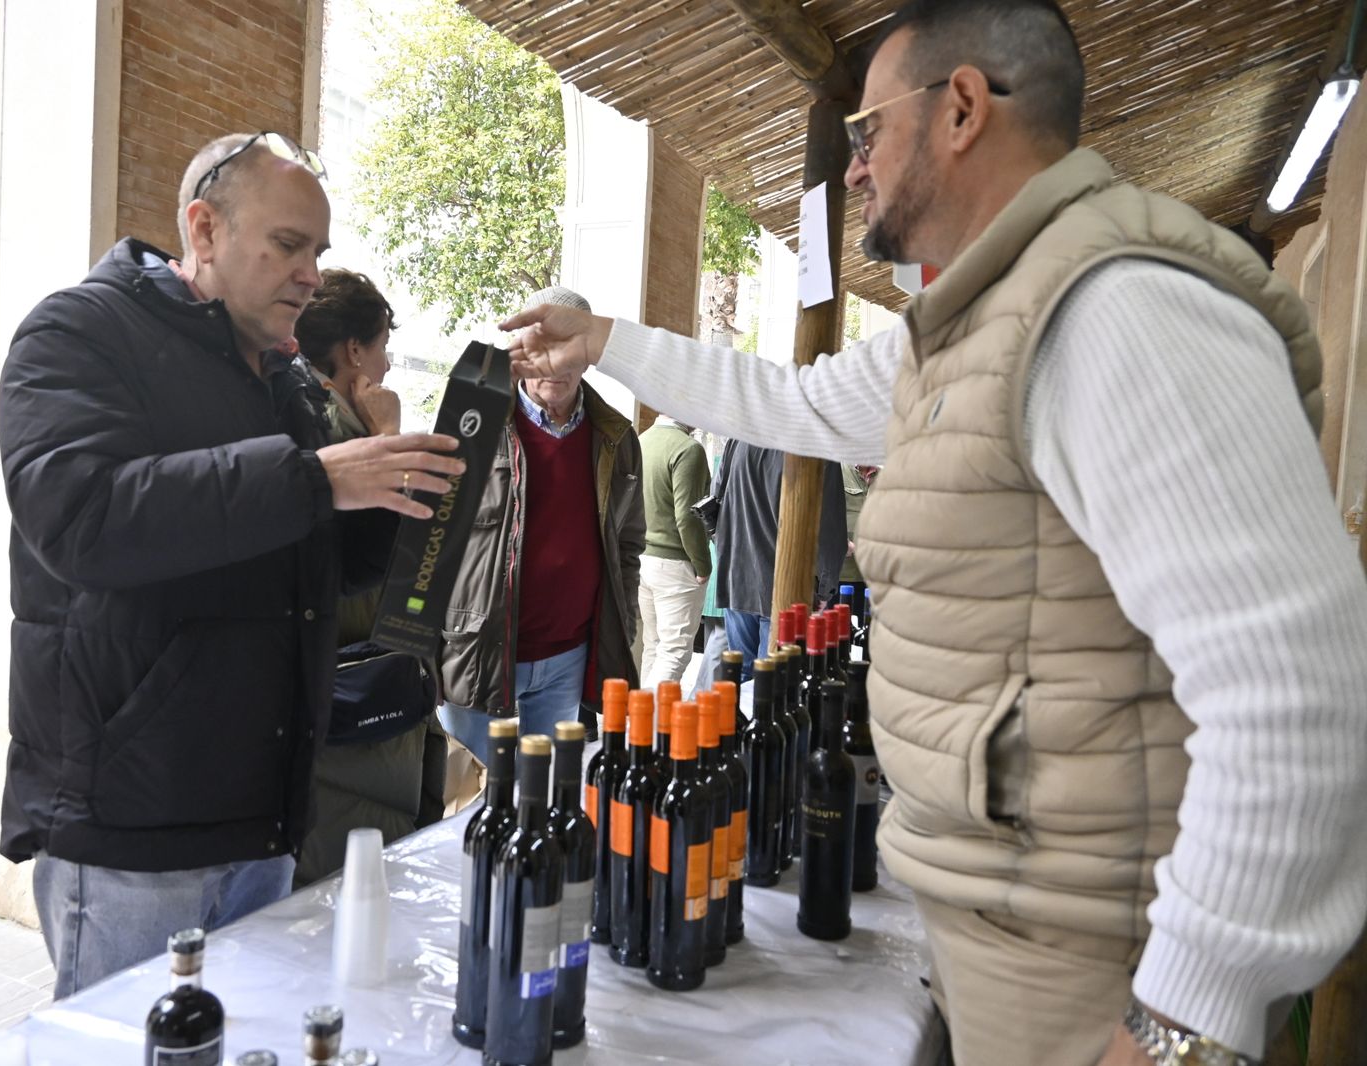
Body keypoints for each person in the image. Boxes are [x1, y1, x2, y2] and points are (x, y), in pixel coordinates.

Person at [499, 2, 1367, 1063]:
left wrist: (1184, 1024)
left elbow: (1298, 693)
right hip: (1005, 938)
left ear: (961, 109)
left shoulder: (1120, 310)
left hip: (1097, 974)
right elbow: (792, 401)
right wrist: (606, 342)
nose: (854, 166)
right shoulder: (967, 330)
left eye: (867, 131)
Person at [0, 132, 464, 998]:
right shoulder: (77, 332)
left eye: (318, 251)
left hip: (265, 819)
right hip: (134, 824)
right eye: (289, 245)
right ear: (204, 229)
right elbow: (81, 520)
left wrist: (408, 500)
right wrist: (313, 479)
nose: (311, 276)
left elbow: (316, 565)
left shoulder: (283, 381)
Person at [436, 286, 643, 763]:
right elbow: (433, 539)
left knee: (546, 791)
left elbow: (629, 543)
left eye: (569, 349)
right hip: (476, 650)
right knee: (472, 795)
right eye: (543, 347)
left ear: (589, 356)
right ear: (521, 350)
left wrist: (624, 621)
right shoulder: (474, 422)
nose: (555, 364)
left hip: (568, 657)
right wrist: (426, 651)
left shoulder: (615, 437)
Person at [291, 268, 447, 884]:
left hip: (346, 692)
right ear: (354, 350)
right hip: (362, 697)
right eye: (382, 346)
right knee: (354, 878)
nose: (385, 364)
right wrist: (388, 434)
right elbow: (394, 550)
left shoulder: (295, 408)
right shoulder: (340, 430)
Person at [712, 440, 846, 680]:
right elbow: (829, 530)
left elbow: (715, 503)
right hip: (785, 586)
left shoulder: (738, 438)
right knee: (774, 682)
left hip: (737, 578)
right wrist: (824, 590)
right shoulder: (818, 445)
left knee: (741, 678)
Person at [635, 415, 710, 684]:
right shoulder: (688, 449)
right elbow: (687, 516)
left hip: (643, 558)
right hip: (676, 564)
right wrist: (703, 564)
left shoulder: (641, 440)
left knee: (653, 646)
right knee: (674, 653)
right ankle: (653, 711)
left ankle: (644, 711)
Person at [839, 463, 879, 605]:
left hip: (875, 576)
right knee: (840, 616)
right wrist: (839, 541)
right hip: (844, 573)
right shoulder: (838, 471)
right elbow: (825, 513)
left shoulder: (887, 477)